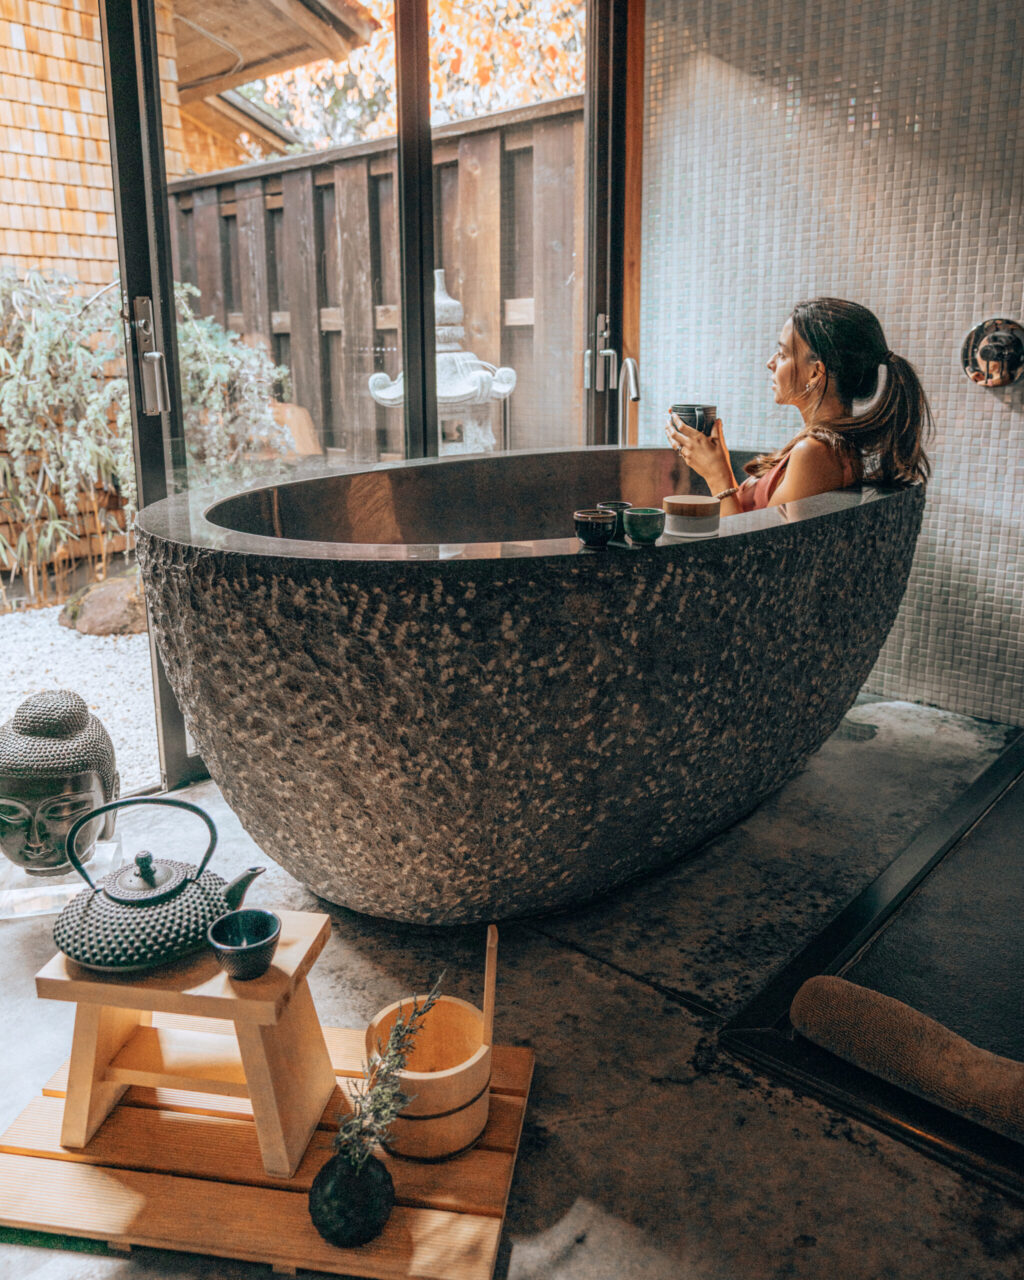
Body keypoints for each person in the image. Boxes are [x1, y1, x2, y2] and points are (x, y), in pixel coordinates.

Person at [665, 297, 933, 514]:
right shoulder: (825, 446)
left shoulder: (815, 454)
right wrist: (718, 461)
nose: (770, 362)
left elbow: (754, 554)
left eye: (782, 354)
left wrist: (718, 476)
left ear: (816, 372)